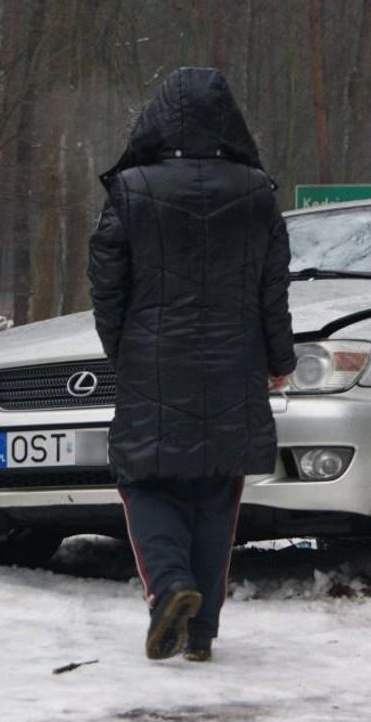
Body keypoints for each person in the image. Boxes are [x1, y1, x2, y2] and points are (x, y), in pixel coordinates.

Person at [88, 67, 295, 662]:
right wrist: (279, 358)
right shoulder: (258, 192)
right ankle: (202, 635)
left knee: (145, 479)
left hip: (152, 356)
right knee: (216, 490)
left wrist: (123, 347)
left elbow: (107, 283)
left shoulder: (130, 189)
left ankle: (172, 589)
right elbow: (271, 289)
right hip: (235, 362)